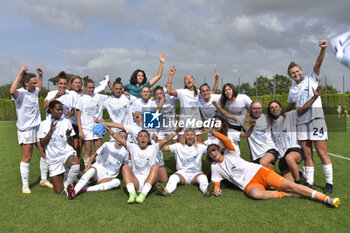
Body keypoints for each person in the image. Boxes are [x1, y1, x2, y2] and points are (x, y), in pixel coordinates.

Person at [204, 127, 340, 208]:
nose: (213, 153)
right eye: (210, 152)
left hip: (260, 172)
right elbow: (216, 183)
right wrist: (216, 190)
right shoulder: (215, 167)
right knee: (255, 194)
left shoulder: (230, 153)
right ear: (209, 156)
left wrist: (213, 132)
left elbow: (226, 141)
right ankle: (285, 194)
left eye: (214, 150)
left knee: (291, 185)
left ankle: (325, 199)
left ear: (219, 150)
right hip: (249, 185)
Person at [285, 40, 333, 193]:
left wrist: (323, 49)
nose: (296, 74)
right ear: (290, 76)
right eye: (293, 73)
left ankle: (329, 183)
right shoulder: (292, 90)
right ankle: (310, 183)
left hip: (316, 120)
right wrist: (279, 114)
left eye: (297, 71)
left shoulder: (311, 78)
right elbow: (290, 106)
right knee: (307, 154)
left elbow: (318, 62)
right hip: (301, 123)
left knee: (321, 153)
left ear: (301, 71)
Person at [9, 66, 52, 194]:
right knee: (27, 157)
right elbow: (12, 91)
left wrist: (41, 76)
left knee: (44, 153)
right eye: (33, 83)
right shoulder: (20, 93)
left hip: (37, 128)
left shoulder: (34, 91)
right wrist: (19, 73)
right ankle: (25, 185)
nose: (36, 85)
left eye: (36, 82)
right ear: (26, 83)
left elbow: (39, 86)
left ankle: (43, 180)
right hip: (26, 130)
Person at [268, 86, 323, 183]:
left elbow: (304, 108)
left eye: (276, 107)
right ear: (269, 111)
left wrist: (314, 97)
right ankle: (300, 173)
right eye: (271, 108)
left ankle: (298, 182)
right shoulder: (270, 123)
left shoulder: (290, 115)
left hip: (295, 150)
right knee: (288, 184)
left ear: (280, 108)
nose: (274, 109)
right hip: (282, 157)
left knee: (290, 158)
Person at [112, 126, 180, 204]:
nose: (143, 138)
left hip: (148, 180)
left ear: (148, 140)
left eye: (145, 136)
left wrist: (176, 131)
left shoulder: (154, 147)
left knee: (155, 166)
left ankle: (143, 194)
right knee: (125, 167)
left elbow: (165, 140)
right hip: (136, 183)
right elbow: (118, 138)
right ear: (137, 139)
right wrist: (107, 128)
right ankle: (132, 193)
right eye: (140, 136)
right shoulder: (132, 147)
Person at [213, 100, 279, 169]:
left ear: (262, 109)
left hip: (270, 149)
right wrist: (217, 106)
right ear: (250, 109)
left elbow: (279, 117)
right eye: (254, 108)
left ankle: (276, 179)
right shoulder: (244, 119)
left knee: (263, 162)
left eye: (259, 108)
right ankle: (278, 179)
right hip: (256, 155)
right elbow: (227, 115)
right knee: (262, 174)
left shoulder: (268, 117)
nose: (257, 111)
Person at [66, 130, 129, 200]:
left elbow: (125, 166)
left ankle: (85, 189)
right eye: (120, 135)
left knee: (117, 182)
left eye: (124, 137)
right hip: (96, 171)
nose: (121, 138)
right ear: (116, 136)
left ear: (125, 140)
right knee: (92, 170)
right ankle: (74, 192)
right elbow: (94, 155)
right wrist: (88, 166)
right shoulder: (107, 145)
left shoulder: (125, 152)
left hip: (106, 177)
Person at [167, 66, 218, 143]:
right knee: (182, 148)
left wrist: (217, 79)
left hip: (196, 124)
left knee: (199, 148)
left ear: (193, 80)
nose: (188, 80)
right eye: (186, 79)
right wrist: (170, 75)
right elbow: (169, 91)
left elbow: (213, 91)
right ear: (184, 82)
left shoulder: (198, 92)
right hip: (184, 124)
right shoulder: (181, 92)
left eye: (190, 78)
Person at [38, 100, 80, 194]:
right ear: (51, 110)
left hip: (66, 153)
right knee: (58, 191)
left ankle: (67, 185)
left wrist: (69, 136)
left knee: (76, 164)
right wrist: (50, 131)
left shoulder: (66, 122)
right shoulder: (43, 124)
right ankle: (66, 178)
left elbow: (73, 144)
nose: (61, 112)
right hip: (53, 158)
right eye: (58, 110)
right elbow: (42, 144)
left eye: (61, 110)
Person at [156, 128, 211, 196]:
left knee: (203, 178)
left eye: (192, 135)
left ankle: (206, 191)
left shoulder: (200, 147)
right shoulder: (178, 146)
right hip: (182, 173)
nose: (190, 136)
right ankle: (166, 191)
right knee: (173, 178)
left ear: (195, 137)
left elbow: (213, 150)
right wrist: (156, 140)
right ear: (184, 137)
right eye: (188, 135)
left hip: (196, 173)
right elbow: (163, 147)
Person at [76, 77, 108, 167]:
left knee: (99, 150)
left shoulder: (99, 97)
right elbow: (78, 115)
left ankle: (98, 168)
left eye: (93, 87)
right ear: (85, 88)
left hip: (97, 128)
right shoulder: (81, 99)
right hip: (86, 129)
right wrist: (80, 130)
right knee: (88, 151)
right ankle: (87, 167)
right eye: (89, 88)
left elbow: (112, 97)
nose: (91, 89)